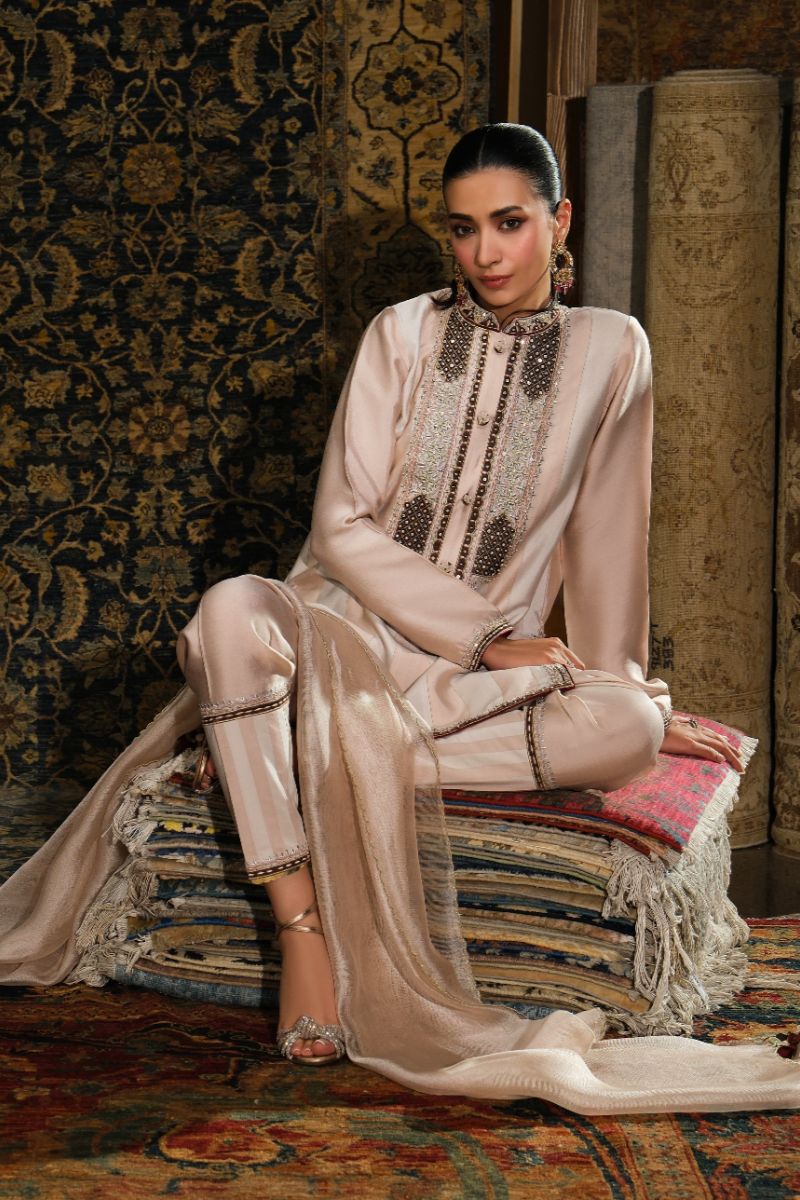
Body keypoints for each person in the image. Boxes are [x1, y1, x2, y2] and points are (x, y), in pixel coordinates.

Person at [0, 124, 796, 1114]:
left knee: (625, 728)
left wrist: (619, 687)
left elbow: (606, 542)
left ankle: (273, 748)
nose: (485, 253)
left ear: (559, 220)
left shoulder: (611, 349)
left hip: (457, 692)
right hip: (343, 635)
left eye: (509, 223)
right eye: (462, 229)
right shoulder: (401, 332)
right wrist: (482, 633)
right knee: (227, 613)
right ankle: (301, 926)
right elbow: (338, 527)